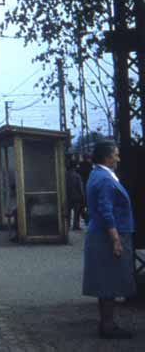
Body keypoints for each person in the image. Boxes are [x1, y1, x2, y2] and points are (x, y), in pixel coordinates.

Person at [82, 141, 135, 339]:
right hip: (108, 236)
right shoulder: (105, 179)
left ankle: (107, 323)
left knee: (106, 282)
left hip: (100, 235)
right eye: (116, 155)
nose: (118, 159)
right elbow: (106, 210)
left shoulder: (97, 175)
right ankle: (108, 326)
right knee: (109, 282)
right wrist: (115, 240)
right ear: (107, 158)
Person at [65, 160, 85, 231]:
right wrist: (83, 197)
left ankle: (66, 226)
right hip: (76, 197)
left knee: (68, 212)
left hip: (67, 196)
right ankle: (75, 226)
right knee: (77, 213)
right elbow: (80, 188)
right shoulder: (77, 176)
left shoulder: (65, 175)